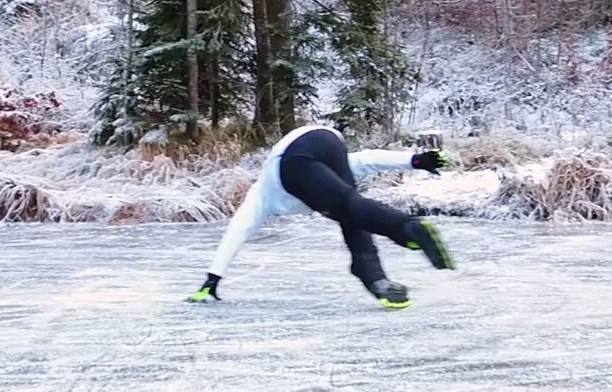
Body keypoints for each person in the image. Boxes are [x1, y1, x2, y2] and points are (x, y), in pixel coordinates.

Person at [188, 124, 455, 309]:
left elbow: (238, 229)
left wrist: (212, 281)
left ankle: (405, 231)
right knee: (349, 206)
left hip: (293, 155)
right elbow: (364, 160)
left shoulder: (263, 193)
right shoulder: (272, 191)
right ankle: (375, 275)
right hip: (328, 140)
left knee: (346, 205)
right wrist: (415, 161)